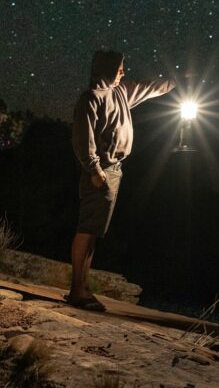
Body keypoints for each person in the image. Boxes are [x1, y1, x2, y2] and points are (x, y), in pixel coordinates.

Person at [67, 49, 174, 311]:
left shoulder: (121, 93)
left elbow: (149, 88)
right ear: (106, 68)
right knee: (87, 228)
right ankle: (76, 291)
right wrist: (94, 170)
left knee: (94, 232)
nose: (124, 72)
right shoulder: (90, 98)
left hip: (114, 169)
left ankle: (81, 287)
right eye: (120, 67)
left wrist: (177, 81)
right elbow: (82, 138)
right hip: (100, 171)